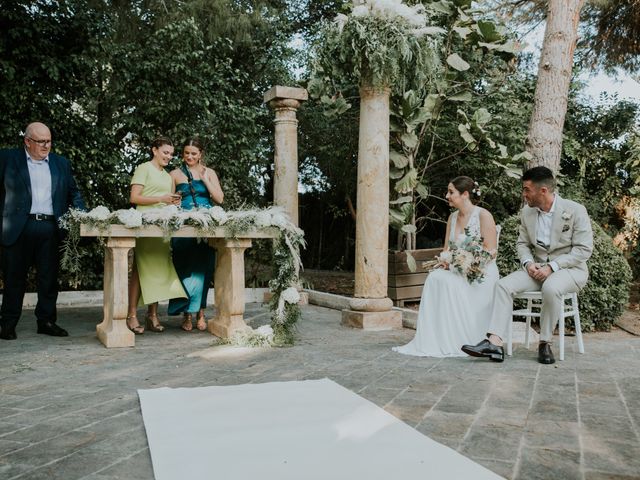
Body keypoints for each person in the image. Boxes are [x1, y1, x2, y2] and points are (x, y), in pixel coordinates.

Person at [462, 166, 593, 364]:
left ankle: (545, 343)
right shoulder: (527, 212)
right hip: (537, 269)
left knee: (551, 287)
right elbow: (522, 244)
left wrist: (553, 267)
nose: (524, 195)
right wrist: (528, 263)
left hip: (570, 270)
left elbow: (583, 250)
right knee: (503, 286)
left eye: (526, 190)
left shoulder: (575, 210)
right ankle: (495, 344)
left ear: (543, 191)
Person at [393, 176, 499, 357]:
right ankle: (436, 339)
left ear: (465, 194)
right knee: (435, 277)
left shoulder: (483, 215)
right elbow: (447, 250)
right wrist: (446, 260)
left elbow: (491, 251)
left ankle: (459, 340)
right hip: (457, 269)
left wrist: (469, 262)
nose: (447, 196)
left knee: (447, 282)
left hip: (481, 273)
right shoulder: (452, 217)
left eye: (451, 192)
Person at [0, 122, 86, 340]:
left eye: (48, 141)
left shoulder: (61, 163)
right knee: (14, 278)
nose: (46, 145)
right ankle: (7, 324)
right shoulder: (8, 159)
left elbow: (73, 193)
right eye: (41, 141)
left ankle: (46, 321)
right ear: (27, 142)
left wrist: (82, 214)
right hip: (19, 226)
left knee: (49, 278)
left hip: (50, 226)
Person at [126, 136, 187, 334]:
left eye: (171, 154)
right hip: (145, 224)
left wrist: (173, 202)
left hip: (162, 226)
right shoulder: (144, 168)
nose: (169, 157)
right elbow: (134, 198)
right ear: (154, 150)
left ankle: (152, 315)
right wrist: (161, 198)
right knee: (140, 269)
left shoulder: (169, 176)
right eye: (165, 152)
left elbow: (167, 201)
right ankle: (131, 315)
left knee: (160, 268)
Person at [168, 138, 223, 331]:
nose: (189, 157)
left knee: (203, 270)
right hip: (182, 227)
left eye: (194, 153)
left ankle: (200, 313)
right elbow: (168, 201)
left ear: (200, 154)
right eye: (186, 153)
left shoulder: (210, 172)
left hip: (205, 226)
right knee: (184, 270)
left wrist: (206, 181)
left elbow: (219, 199)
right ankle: (186, 315)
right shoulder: (174, 174)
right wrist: (173, 203)